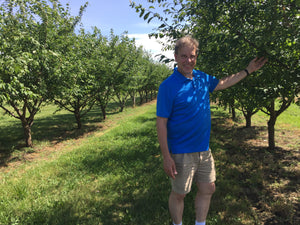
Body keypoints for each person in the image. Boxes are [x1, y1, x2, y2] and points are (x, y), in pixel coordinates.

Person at [156, 35, 267, 225]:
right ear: (175, 57)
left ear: (196, 56)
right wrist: (167, 157)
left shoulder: (201, 78)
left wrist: (248, 70)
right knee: (180, 193)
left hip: (204, 149)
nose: (188, 60)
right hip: (181, 151)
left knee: (208, 188)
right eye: (183, 56)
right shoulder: (168, 86)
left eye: (192, 56)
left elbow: (223, 83)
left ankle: (201, 223)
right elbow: (161, 123)